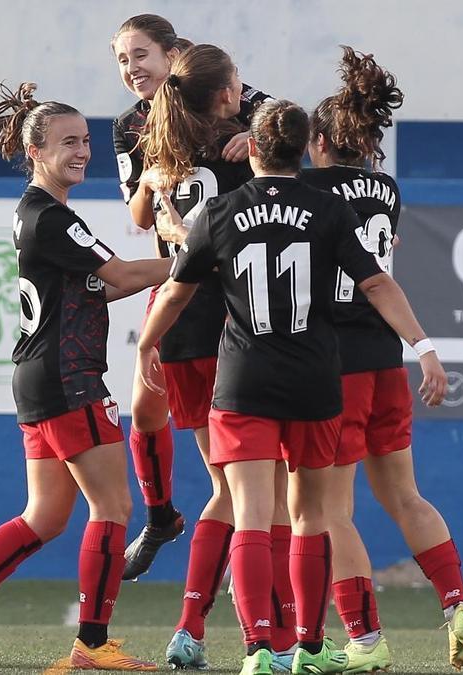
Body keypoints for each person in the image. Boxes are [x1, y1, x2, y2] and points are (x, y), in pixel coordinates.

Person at [137, 99, 446, 675]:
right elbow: (378, 285)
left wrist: (146, 343)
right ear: (303, 149)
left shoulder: (221, 212)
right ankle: (307, 642)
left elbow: (177, 292)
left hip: (244, 379)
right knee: (311, 516)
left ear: (251, 148)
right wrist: (423, 347)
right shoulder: (329, 212)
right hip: (314, 381)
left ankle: (260, 649)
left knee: (252, 513)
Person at [0, 82, 168, 671]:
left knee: (46, 516)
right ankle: (92, 644)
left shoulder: (42, 213)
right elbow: (124, 276)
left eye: (84, 140)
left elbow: (100, 284)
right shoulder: (48, 216)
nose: (82, 151)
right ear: (35, 152)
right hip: (66, 375)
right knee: (112, 508)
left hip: (38, 374)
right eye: (67, 143)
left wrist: (179, 268)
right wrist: (203, 259)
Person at [303, 46, 463, 671]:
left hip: (334, 363)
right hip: (386, 361)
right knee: (406, 495)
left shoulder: (306, 190)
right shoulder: (385, 187)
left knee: (331, 510)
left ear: (320, 140)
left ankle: (364, 639)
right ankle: (456, 604)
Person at [111, 15, 272, 584]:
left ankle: (233, 557)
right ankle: (160, 517)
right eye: (123, 60)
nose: (132, 69)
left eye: (141, 55)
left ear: (174, 54)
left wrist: (261, 139)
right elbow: (138, 216)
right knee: (149, 404)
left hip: (232, 285)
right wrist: (151, 184)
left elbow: (293, 138)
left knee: (233, 453)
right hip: (180, 279)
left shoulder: (231, 98)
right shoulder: (132, 125)